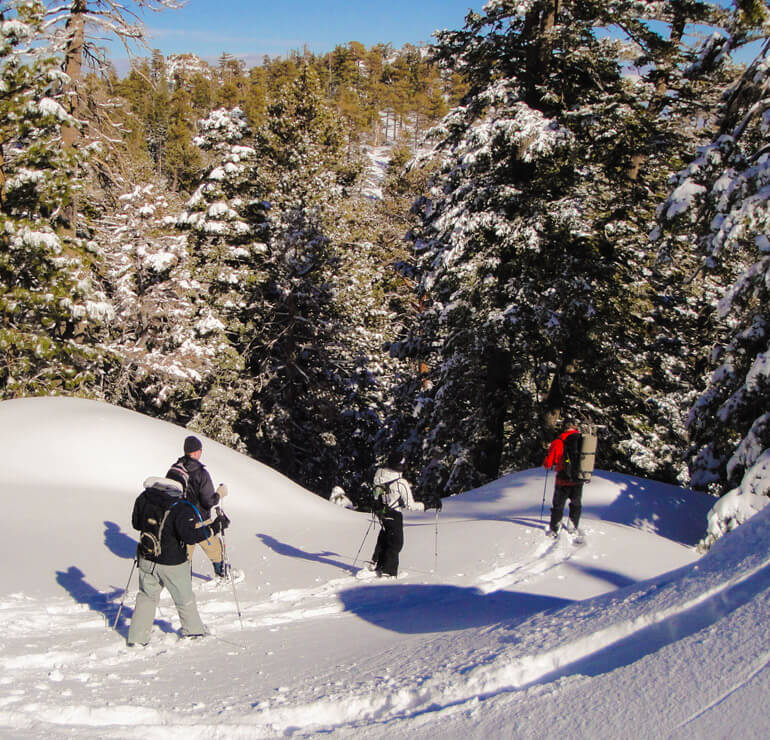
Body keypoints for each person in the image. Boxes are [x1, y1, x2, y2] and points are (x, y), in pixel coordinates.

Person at [127, 476, 228, 647]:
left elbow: (136, 524)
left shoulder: (144, 497)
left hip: (146, 556)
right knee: (184, 597)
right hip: (172, 562)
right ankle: (194, 632)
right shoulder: (180, 506)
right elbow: (189, 537)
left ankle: (137, 639)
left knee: (146, 596)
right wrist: (215, 527)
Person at [166, 435, 230, 578]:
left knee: (184, 554)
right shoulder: (201, 473)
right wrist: (219, 494)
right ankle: (221, 572)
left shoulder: (174, 469)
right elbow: (208, 501)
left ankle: (182, 579)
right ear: (196, 452)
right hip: (200, 518)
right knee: (214, 548)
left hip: (179, 520)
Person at [368, 453, 423, 578]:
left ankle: (377, 563)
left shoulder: (379, 475)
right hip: (394, 513)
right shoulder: (401, 483)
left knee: (385, 536)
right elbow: (411, 505)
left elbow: (376, 495)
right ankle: (389, 572)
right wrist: (426, 505)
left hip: (381, 512)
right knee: (396, 544)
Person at [543, 422, 584, 537]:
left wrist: (547, 462)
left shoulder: (558, 442)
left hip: (562, 479)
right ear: (575, 428)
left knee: (558, 505)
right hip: (578, 479)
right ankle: (573, 525)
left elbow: (548, 463)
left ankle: (555, 527)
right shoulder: (583, 442)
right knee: (576, 503)